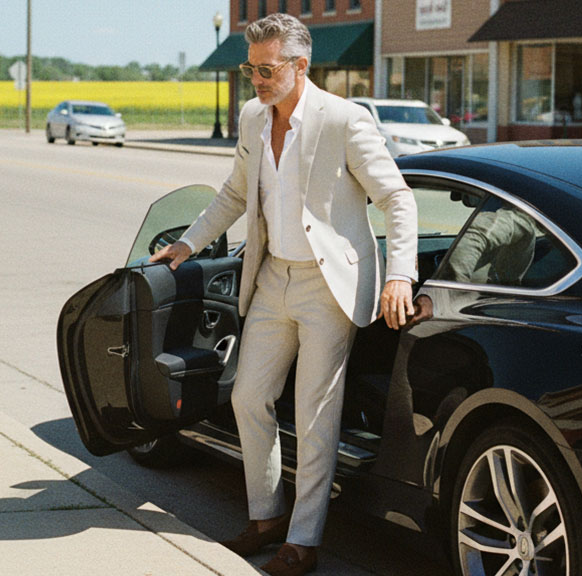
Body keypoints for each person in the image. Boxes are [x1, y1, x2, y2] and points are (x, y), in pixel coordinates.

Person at [149, 13, 429, 576]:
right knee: (248, 397)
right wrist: (186, 244)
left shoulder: (344, 121)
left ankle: (303, 539)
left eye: (267, 69)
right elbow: (233, 193)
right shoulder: (254, 118)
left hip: (329, 286)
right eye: (250, 68)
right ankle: (266, 514)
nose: (256, 79)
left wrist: (400, 274)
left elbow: (398, 200)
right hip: (272, 276)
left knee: (315, 413)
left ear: (301, 66)